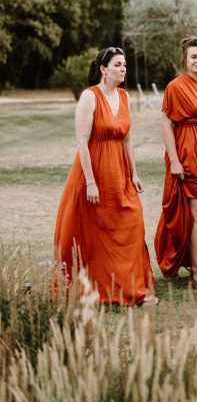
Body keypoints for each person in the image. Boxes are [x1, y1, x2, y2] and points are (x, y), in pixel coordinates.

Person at [54, 46, 156, 306]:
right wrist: (90, 182)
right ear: (103, 69)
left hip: (120, 171)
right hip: (94, 171)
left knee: (131, 222)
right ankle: (96, 289)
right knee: (95, 231)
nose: (123, 69)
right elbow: (82, 142)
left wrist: (134, 173)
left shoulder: (124, 96)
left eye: (124, 65)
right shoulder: (90, 97)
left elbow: (128, 139)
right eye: (117, 65)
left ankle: (130, 286)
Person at [154, 36, 197, 289]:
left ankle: (186, 249)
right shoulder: (175, 87)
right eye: (194, 56)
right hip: (186, 152)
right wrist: (174, 160)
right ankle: (196, 269)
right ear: (185, 58)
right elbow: (166, 124)